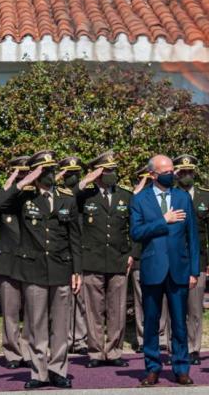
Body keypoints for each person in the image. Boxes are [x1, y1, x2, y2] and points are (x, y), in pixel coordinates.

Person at [0, 150, 82, 389]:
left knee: (60, 325)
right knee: (36, 324)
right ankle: (39, 373)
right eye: (44, 170)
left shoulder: (66, 198)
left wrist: (77, 271)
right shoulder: (23, 198)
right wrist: (21, 183)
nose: (50, 174)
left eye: (51, 169)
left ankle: (58, 370)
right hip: (33, 270)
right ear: (36, 174)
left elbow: (75, 239)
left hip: (61, 268)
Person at [130, 154, 198, 386]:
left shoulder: (182, 197)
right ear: (152, 174)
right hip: (153, 268)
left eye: (172, 170)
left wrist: (194, 270)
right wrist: (164, 220)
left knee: (179, 322)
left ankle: (181, 368)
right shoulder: (140, 199)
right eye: (166, 172)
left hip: (179, 268)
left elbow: (193, 236)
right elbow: (136, 233)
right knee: (151, 322)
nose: (172, 175)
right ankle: (152, 368)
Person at [74, 151, 132, 368]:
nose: (112, 174)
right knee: (93, 310)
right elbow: (67, 200)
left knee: (117, 308)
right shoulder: (86, 195)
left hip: (118, 259)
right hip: (92, 260)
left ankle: (114, 351)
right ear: (98, 173)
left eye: (113, 170)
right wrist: (85, 180)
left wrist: (132, 254)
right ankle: (96, 352)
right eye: (107, 171)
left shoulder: (125, 195)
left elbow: (135, 227)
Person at [0, 155, 32, 369]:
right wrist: (10, 185)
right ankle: (12, 353)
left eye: (26, 172)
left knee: (33, 312)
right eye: (18, 171)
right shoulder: (4, 197)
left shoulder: (36, 195)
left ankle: (29, 352)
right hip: (7, 262)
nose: (23, 175)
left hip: (31, 262)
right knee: (10, 312)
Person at [167, 153, 209, 366]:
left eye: (190, 172)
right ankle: (174, 349)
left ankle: (194, 349)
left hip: (198, 260)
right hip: (174, 260)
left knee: (195, 309)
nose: (187, 175)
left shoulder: (206, 196)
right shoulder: (169, 195)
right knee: (174, 307)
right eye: (183, 172)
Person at [128, 164, 170, 355]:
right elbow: (133, 231)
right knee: (142, 303)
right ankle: (142, 338)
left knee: (162, 304)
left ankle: (161, 338)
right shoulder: (138, 199)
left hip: (161, 257)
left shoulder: (165, 197)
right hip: (139, 257)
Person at [58, 156, 89, 355]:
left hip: (82, 250)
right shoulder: (59, 194)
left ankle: (81, 340)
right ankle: (67, 338)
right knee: (66, 300)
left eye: (76, 174)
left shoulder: (86, 195)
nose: (73, 178)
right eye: (69, 174)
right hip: (64, 252)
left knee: (82, 299)